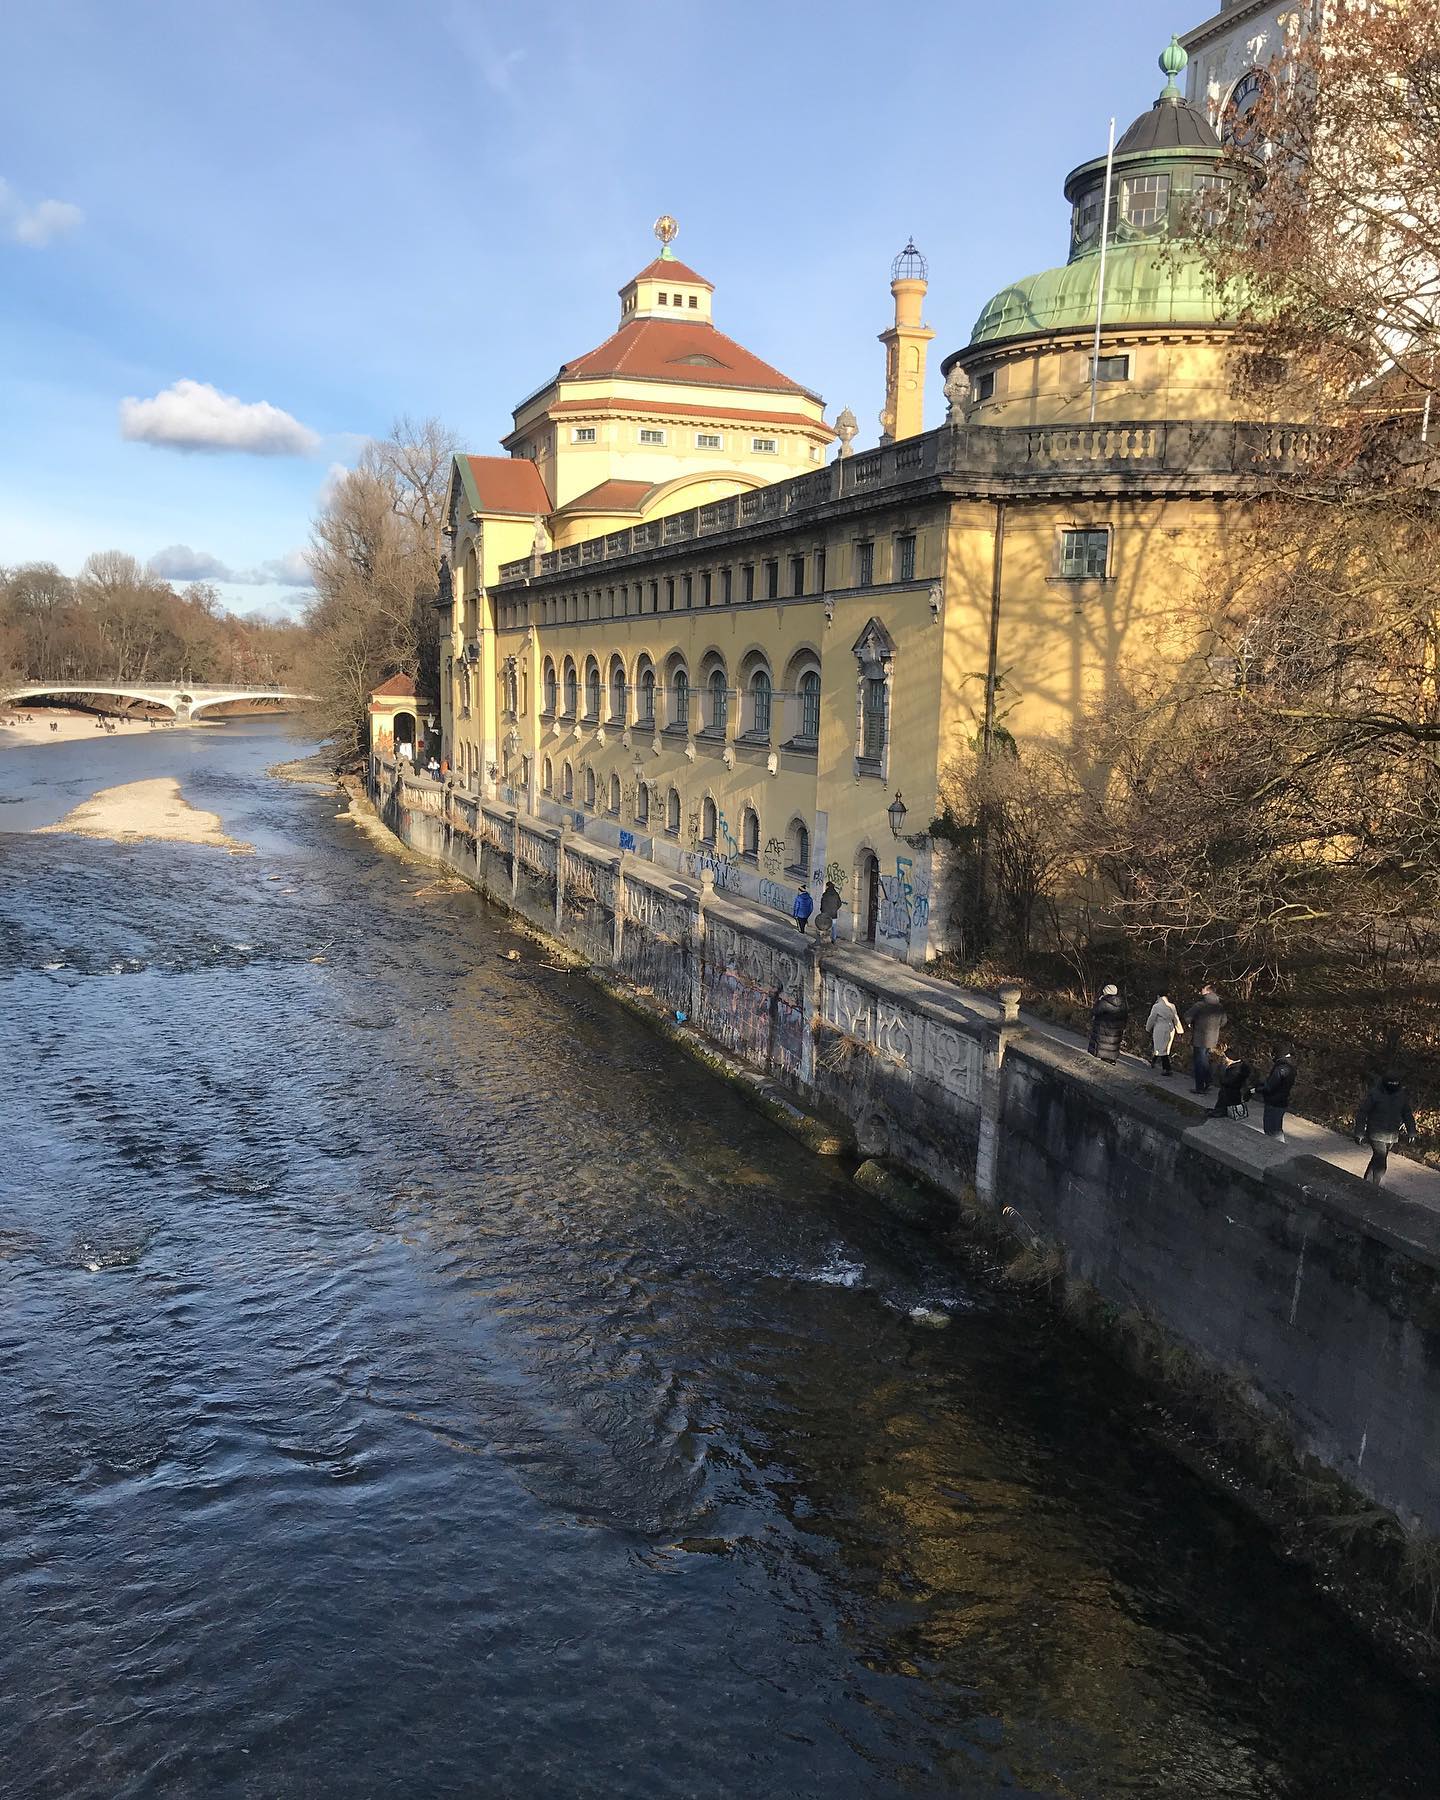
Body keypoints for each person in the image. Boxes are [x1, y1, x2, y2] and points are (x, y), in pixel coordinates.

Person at [1355, 1072, 1418, 1187]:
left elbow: (1407, 1114)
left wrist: (1412, 1132)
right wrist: (1359, 1132)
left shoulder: (1401, 1096)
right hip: (1375, 1132)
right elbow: (1362, 1112)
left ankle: (1366, 1183)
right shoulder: (1375, 1094)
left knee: (1377, 1158)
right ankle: (1377, 1185)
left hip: (1392, 1134)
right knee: (1381, 1157)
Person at [1183, 986, 1228, 1094]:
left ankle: (1200, 1087)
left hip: (1200, 1037)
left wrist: (1191, 1024)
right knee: (1205, 1058)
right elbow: (1224, 1021)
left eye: (1203, 988)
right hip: (1212, 1037)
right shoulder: (1220, 1007)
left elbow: (1187, 1016)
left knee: (1199, 1061)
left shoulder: (1200, 1005)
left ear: (1208, 991)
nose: (1201, 990)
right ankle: (1208, 1080)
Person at [1257, 1047, 1298, 1142]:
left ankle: (1275, 1148)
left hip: (1273, 1101)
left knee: (1271, 1129)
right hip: (1282, 1101)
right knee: (1276, 1128)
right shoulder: (1291, 1067)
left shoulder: (1280, 1068)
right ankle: (1278, 1147)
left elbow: (1270, 1086)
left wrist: (1256, 1089)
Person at [1145, 992, 1184, 1075]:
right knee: (1165, 1046)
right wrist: (1179, 1030)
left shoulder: (1156, 1006)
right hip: (1170, 1027)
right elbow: (1176, 1018)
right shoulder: (1172, 1006)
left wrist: (1148, 1027)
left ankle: (1167, 1068)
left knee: (1160, 1047)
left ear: (1158, 996)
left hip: (1160, 1027)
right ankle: (1154, 1061)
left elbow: (1152, 1018)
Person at [1087, 985, 1128, 1063]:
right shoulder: (1122, 1003)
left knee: (1103, 1049)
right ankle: (1111, 1060)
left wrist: (1099, 1001)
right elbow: (1125, 1017)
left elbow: (1094, 1012)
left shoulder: (1103, 1002)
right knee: (1111, 1049)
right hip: (1115, 1033)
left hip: (1103, 1031)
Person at [1210, 1050, 1254, 1120]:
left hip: (1229, 1093)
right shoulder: (1242, 1066)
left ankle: (1220, 1111)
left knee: (1224, 1094)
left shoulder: (1234, 1069)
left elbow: (1225, 1082)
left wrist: (1222, 1069)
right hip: (1236, 1094)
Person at [818, 879, 842, 944]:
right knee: (834, 926)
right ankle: (833, 939)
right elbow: (839, 903)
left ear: (828, 886)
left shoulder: (825, 894)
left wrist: (822, 911)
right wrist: (835, 909)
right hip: (834, 913)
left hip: (826, 914)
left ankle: (825, 938)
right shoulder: (836, 894)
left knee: (825, 926)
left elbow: (822, 904)